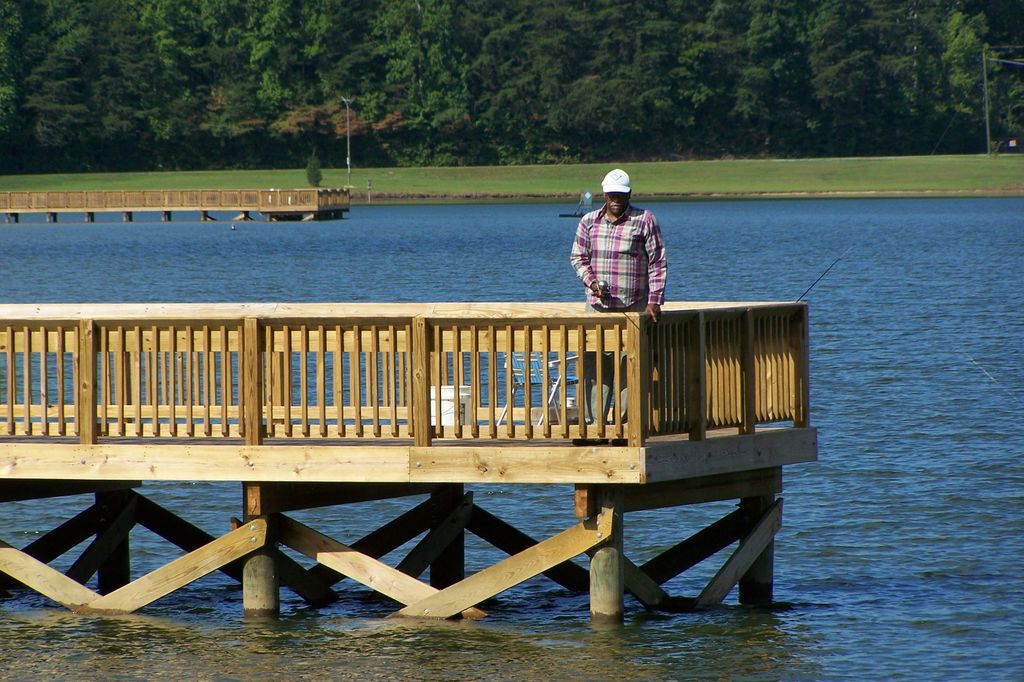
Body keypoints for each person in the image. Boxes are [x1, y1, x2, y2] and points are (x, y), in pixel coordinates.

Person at [569, 168, 667, 439]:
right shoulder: (588, 222)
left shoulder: (644, 219)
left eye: (621, 195)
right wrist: (592, 283)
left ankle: (623, 429)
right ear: (604, 193)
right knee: (594, 369)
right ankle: (594, 428)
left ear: (629, 194)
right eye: (612, 194)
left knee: (629, 368)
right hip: (597, 309)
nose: (616, 199)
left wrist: (655, 301)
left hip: (634, 308)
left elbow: (658, 262)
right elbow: (578, 258)